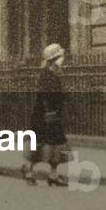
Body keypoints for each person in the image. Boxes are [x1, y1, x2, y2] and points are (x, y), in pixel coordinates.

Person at [21, 43, 67, 186]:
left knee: (56, 145)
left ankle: (53, 175)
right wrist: (49, 112)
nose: (63, 60)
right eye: (60, 57)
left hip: (53, 115)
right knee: (40, 145)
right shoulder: (46, 75)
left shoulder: (55, 73)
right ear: (54, 59)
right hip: (44, 116)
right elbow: (44, 96)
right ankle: (28, 170)